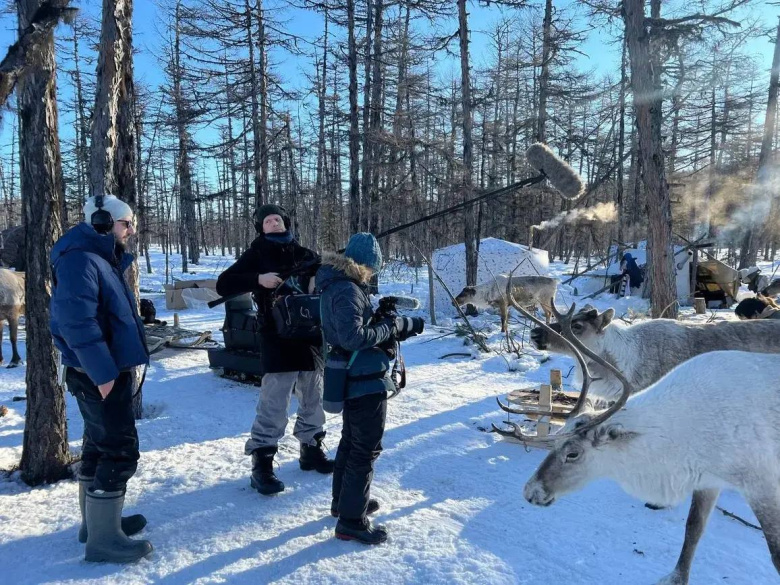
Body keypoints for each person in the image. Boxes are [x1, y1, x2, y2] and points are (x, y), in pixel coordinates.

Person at [50, 195, 152, 563]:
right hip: (99, 375)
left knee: (97, 445)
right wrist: (104, 374)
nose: (131, 231)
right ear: (103, 222)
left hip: (101, 372)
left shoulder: (98, 257)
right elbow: (76, 322)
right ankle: (104, 541)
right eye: (126, 224)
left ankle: (94, 526)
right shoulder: (81, 259)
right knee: (119, 451)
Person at [216, 204, 333, 496]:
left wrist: (319, 277)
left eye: (277, 219)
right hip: (276, 337)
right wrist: (258, 279)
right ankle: (262, 464)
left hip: (309, 336)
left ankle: (311, 449)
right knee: (274, 403)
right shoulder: (255, 254)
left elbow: (326, 278)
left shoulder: (304, 254)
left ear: (286, 222)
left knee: (313, 397)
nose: (273, 223)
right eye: (267, 221)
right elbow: (224, 284)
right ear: (261, 227)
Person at [317, 233, 424, 544]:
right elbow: (353, 338)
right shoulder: (347, 289)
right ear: (364, 264)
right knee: (365, 449)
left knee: (351, 442)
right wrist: (391, 327)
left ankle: (344, 503)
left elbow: (353, 327)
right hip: (363, 381)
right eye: (373, 269)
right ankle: (352, 521)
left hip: (357, 377)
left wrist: (379, 316)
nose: (372, 275)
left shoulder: (338, 285)